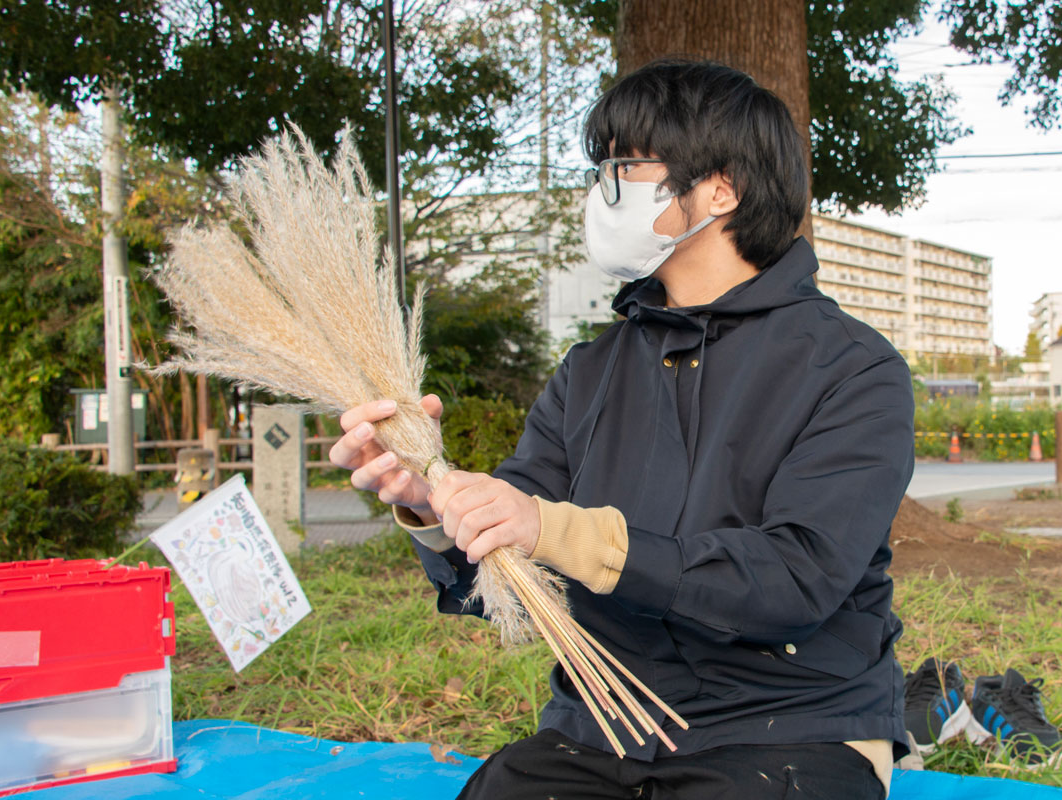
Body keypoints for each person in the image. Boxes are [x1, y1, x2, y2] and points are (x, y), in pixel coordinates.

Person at [329, 58, 915, 800]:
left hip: (786, 727)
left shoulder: (854, 369)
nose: (601, 191)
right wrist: (432, 502)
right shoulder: (591, 370)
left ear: (720, 187)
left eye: (624, 167)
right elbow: (512, 565)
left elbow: (795, 579)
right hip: (603, 725)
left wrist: (557, 530)